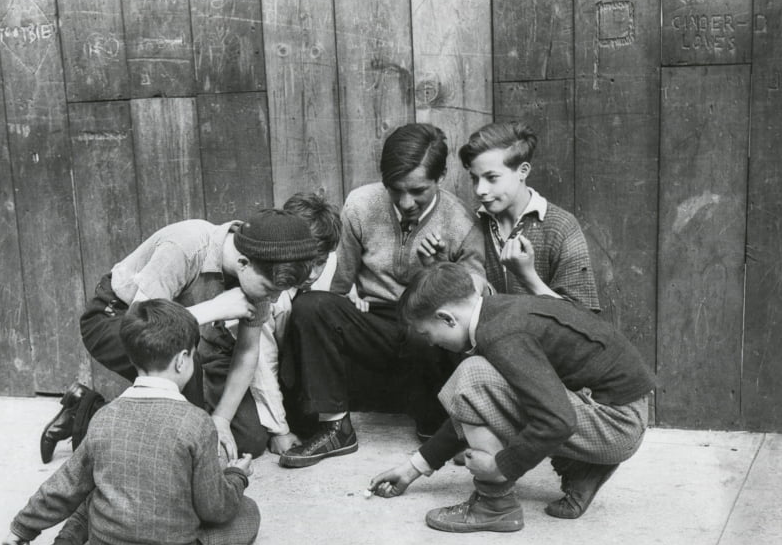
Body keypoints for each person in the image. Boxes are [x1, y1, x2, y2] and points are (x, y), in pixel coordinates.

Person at [0, 299, 259, 545]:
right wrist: (237, 476)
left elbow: (65, 485)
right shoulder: (197, 423)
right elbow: (214, 507)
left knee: (91, 487)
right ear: (182, 360)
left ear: (132, 358)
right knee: (248, 511)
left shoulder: (104, 416)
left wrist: (22, 528)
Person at [371, 263, 653, 532]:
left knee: (472, 376)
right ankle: (583, 467)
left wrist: (500, 467)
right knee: (475, 383)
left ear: (447, 318)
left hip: (618, 423)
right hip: (614, 409)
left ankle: (495, 505)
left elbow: (558, 420)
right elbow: (471, 407)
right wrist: (413, 468)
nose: (431, 343)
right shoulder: (499, 313)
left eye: (426, 333)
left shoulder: (501, 335)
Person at [397, 119, 603, 488]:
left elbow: (583, 322)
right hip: (496, 353)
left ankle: (554, 470)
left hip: (550, 367)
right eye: (474, 179)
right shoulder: (475, 225)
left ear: (523, 171)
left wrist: (529, 277)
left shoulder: (559, 226)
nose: (480, 190)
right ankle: (487, 449)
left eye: (491, 178)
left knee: (477, 376)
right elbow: (467, 310)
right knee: (438, 340)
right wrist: (444, 268)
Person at [278, 123, 486, 468]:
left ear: (442, 176)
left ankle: (435, 427)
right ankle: (335, 428)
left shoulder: (461, 222)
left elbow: (474, 304)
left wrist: (436, 274)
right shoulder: (360, 205)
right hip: (374, 324)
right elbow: (339, 286)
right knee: (311, 305)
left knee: (431, 327)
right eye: (394, 189)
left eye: (417, 190)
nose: (406, 202)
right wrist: (344, 304)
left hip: (426, 331)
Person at [39, 209, 320, 463]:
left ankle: (87, 411)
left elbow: (247, 353)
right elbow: (141, 328)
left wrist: (221, 420)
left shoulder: (263, 268)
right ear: (244, 262)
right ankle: (90, 413)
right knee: (189, 433)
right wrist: (215, 308)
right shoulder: (185, 246)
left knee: (248, 441)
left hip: (183, 339)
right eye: (270, 290)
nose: (273, 299)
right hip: (117, 320)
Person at [226, 192, 342, 455]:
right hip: (245, 362)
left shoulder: (330, 259)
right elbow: (262, 361)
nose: (312, 274)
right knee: (251, 441)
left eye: (320, 262)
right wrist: (280, 429)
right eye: (306, 263)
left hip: (294, 363)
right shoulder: (267, 287)